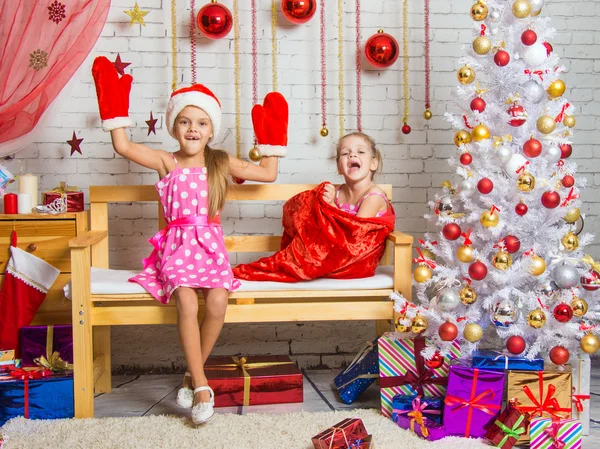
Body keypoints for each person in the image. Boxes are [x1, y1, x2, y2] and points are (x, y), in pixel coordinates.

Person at [91, 56, 288, 425]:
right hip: (177, 247)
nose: (192, 129)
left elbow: (267, 173)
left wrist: (271, 139)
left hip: (210, 247)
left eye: (201, 122)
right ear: (173, 127)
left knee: (216, 301)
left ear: (212, 129)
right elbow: (124, 147)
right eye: (184, 121)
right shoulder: (168, 162)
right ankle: (201, 384)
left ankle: (189, 374)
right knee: (184, 298)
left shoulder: (220, 161)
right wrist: (115, 112)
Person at [322, 131, 390, 218]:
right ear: (339, 167)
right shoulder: (337, 193)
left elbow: (355, 228)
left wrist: (331, 205)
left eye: (361, 152)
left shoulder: (374, 196)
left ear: (373, 164)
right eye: (345, 153)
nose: (352, 155)